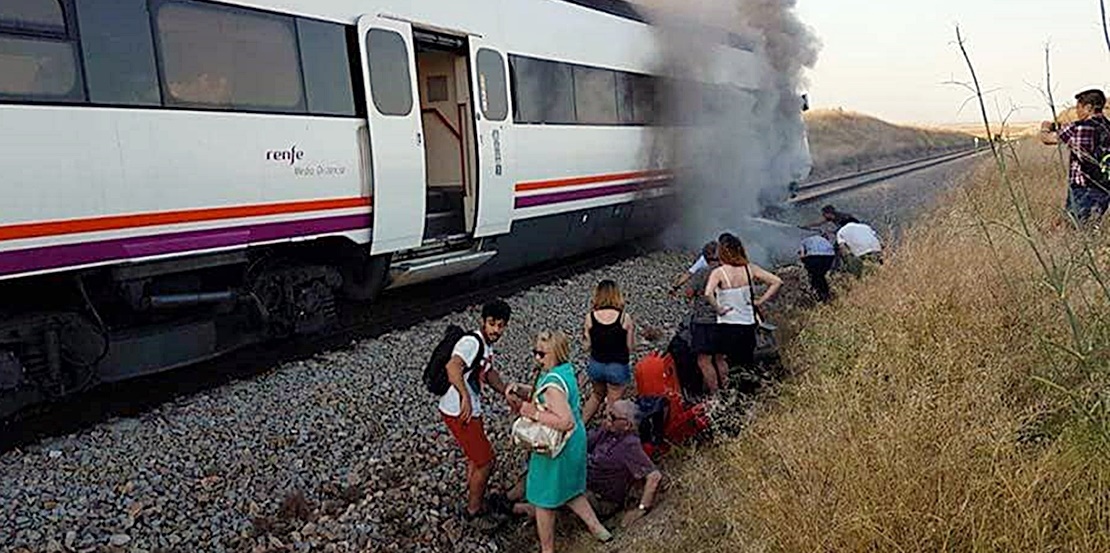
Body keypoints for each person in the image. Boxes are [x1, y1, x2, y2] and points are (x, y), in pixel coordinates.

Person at [510, 331, 612, 553]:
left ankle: (547, 550)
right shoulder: (564, 372)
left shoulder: (553, 385)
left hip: (556, 446)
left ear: (556, 353)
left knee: (543, 499)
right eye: (535, 352)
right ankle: (599, 530)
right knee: (571, 489)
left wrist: (531, 412)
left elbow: (564, 421)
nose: (537, 358)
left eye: (541, 353)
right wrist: (522, 389)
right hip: (574, 443)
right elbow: (547, 397)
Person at [438, 300, 512, 530]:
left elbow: (488, 373)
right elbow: (453, 367)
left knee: (475, 456)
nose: (496, 330)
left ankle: (473, 497)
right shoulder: (471, 342)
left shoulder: (485, 345)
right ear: (483, 321)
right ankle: (474, 511)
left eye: (501, 326)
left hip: (469, 410)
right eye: (492, 324)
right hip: (459, 411)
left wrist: (506, 392)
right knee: (486, 461)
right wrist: (465, 397)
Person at [705, 234, 783, 379]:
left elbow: (708, 293)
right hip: (748, 323)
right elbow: (777, 281)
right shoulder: (749, 269)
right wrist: (760, 301)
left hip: (728, 324)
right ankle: (748, 390)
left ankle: (736, 394)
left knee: (732, 362)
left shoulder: (718, 272)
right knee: (747, 360)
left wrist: (719, 309)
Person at [586, 400, 664, 528]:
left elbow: (654, 476)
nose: (607, 418)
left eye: (612, 416)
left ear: (627, 425)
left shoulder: (629, 445)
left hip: (600, 498)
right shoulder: (608, 430)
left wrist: (641, 509)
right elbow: (582, 444)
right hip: (584, 477)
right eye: (608, 413)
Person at [1039, 88, 1110, 224]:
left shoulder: (1079, 128)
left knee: (1075, 228)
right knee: (1092, 226)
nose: (1077, 112)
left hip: (1083, 188)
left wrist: (1045, 127)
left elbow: (1047, 139)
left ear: (1088, 107)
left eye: (1079, 107)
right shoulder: (1107, 127)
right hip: (1105, 186)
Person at [581, 280, 635, 424]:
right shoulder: (625, 318)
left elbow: (586, 346)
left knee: (596, 396)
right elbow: (630, 346)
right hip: (617, 367)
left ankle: (579, 426)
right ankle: (608, 434)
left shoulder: (590, 317)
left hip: (596, 365)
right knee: (613, 403)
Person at [682, 243, 724, 394]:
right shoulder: (727, 272)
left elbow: (688, 293)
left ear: (705, 258)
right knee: (720, 358)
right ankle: (728, 391)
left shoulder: (702, 273)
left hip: (704, 322)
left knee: (704, 361)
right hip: (724, 320)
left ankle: (715, 396)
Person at [798, 233, 836, 302]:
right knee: (820, 275)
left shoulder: (804, 241)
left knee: (814, 276)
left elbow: (802, 255)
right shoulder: (825, 241)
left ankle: (817, 296)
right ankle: (825, 294)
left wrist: (804, 263)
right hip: (829, 256)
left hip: (814, 256)